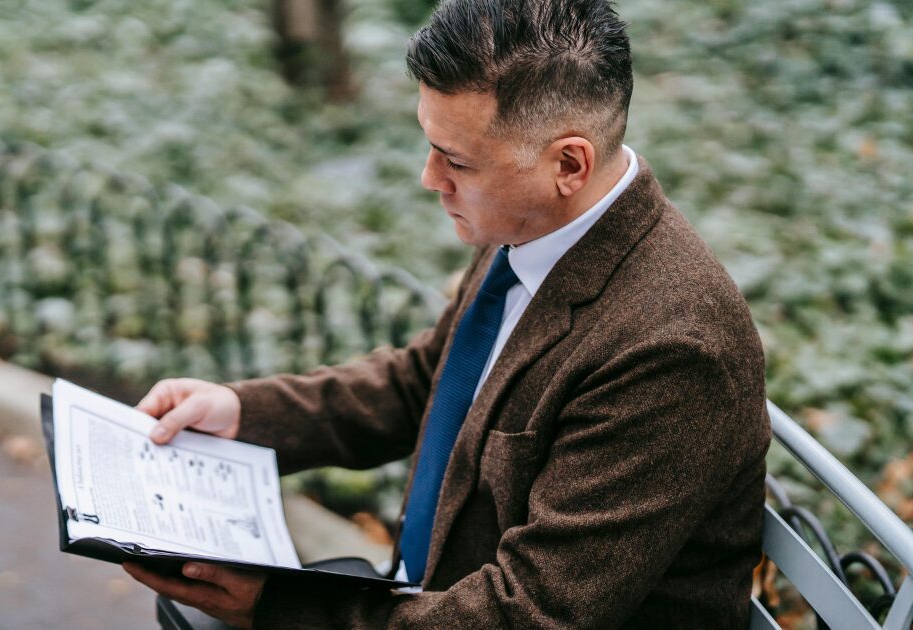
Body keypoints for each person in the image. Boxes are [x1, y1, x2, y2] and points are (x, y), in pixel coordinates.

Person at [123, 0, 771, 627]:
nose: (429, 178)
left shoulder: (672, 353)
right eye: (432, 146)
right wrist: (244, 415)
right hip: (434, 593)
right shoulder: (531, 224)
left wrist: (280, 609)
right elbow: (425, 382)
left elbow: (532, 614)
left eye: (456, 160)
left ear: (569, 164)